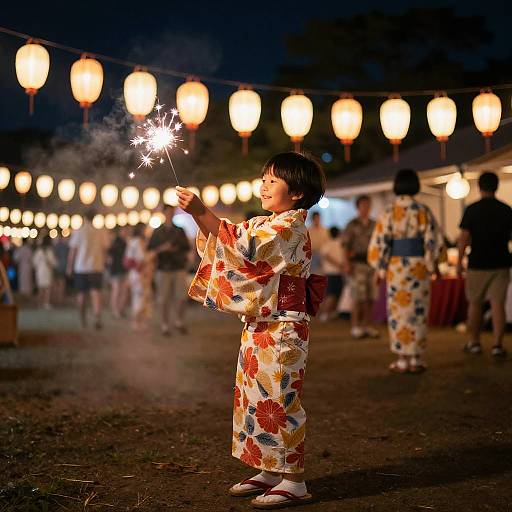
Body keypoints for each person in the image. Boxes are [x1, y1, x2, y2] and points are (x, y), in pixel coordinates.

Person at [177, 152, 327, 509]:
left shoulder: (290, 226)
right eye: (264, 178)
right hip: (261, 323)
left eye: (273, 180)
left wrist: (202, 212)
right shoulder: (268, 222)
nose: (264, 184)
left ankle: (294, 479)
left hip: (285, 326)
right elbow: (228, 241)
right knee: (254, 397)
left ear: (297, 193)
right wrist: (202, 219)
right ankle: (269, 468)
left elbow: (244, 246)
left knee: (280, 398)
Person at [368, 169, 443, 373]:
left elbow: (381, 242)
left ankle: (402, 359)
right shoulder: (423, 210)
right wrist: (433, 265)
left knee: (399, 311)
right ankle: (416, 359)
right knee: (418, 311)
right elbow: (432, 240)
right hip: (418, 266)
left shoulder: (389, 211)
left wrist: (379, 269)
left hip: (397, 267)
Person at [457, 171, 512, 358]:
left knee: (475, 303)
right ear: (496, 187)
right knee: (498, 304)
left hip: (477, 263)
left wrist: (459, 262)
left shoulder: (472, 209)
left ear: (479, 187)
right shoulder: (506, 210)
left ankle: (474, 342)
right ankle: (497, 345)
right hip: (501, 262)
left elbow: (463, 239)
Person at [148, 204, 190, 335]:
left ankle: (179, 321)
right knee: (163, 298)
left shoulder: (179, 230)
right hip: (163, 268)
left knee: (181, 297)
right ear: (163, 213)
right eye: (168, 212)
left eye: (172, 212)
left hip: (178, 267)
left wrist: (177, 250)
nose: (170, 214)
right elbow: (150, 250)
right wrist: (163, 249)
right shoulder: (157, 231)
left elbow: (187, 248)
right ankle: (164, 324)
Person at [343, 195, 379, 339]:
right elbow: (346, 246)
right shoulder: (352, 224)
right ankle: (355, 326)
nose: (366, 208)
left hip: (372, 263)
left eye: (368, 205)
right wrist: (347, 264)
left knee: (371, 297)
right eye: (363, 205)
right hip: (357, 263)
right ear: (358, 207)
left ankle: (367, 326)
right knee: (358, 297)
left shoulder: (375, 224)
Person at [67, 209, 110, 329]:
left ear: (84, 217)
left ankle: (82, 318)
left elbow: (72, 251)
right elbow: (105, 250)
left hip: (81, 267)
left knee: (81, 294)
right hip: (96, 266)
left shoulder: (79, 231)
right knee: (95, 292)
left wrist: (69, 267)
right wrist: (105, 263)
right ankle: (97, 317)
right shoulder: (101, 231)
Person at [125, 223, 154, 330]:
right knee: (141, 297)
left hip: (135, 273)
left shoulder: (132, 241)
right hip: (140, 273)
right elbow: (142, 258)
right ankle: (137, 320)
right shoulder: (138, 242)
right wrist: (152, 254)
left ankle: (138, 320)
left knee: (138, 297)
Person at [318, 227, 345, 322]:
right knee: (331, 295)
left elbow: (324, 256)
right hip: (335, 273)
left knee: (331, 295)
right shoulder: (340, 244)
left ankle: (327, 313)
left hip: (329, 272)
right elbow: (327, 257)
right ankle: (325, 314)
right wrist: (339, 264)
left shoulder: (327, 244)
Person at [108, 226, 129, 318]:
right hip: (116, 269)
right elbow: (110, 255)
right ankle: (115, 310)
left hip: (123, 269)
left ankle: (120, 309)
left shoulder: (126, 242)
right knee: (116, 290)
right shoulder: (116, 242)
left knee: (123, 291)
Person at [33, 235, 57, 309]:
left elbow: (34, 262)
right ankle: (46, 302)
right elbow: (53, 263)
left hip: (40, 271)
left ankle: (40, 303)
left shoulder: (38, 251)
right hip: (47, 271)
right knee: (47, 289)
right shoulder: (49, 251)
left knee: (41, 288)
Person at [53, 234, 70, 304]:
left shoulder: (56, 246)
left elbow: (55, 257)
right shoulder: (67, 247)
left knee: (57, 283)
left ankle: (58, 298)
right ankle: (61, 298)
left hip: (58, 266)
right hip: (64, 266)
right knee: (62, 283)